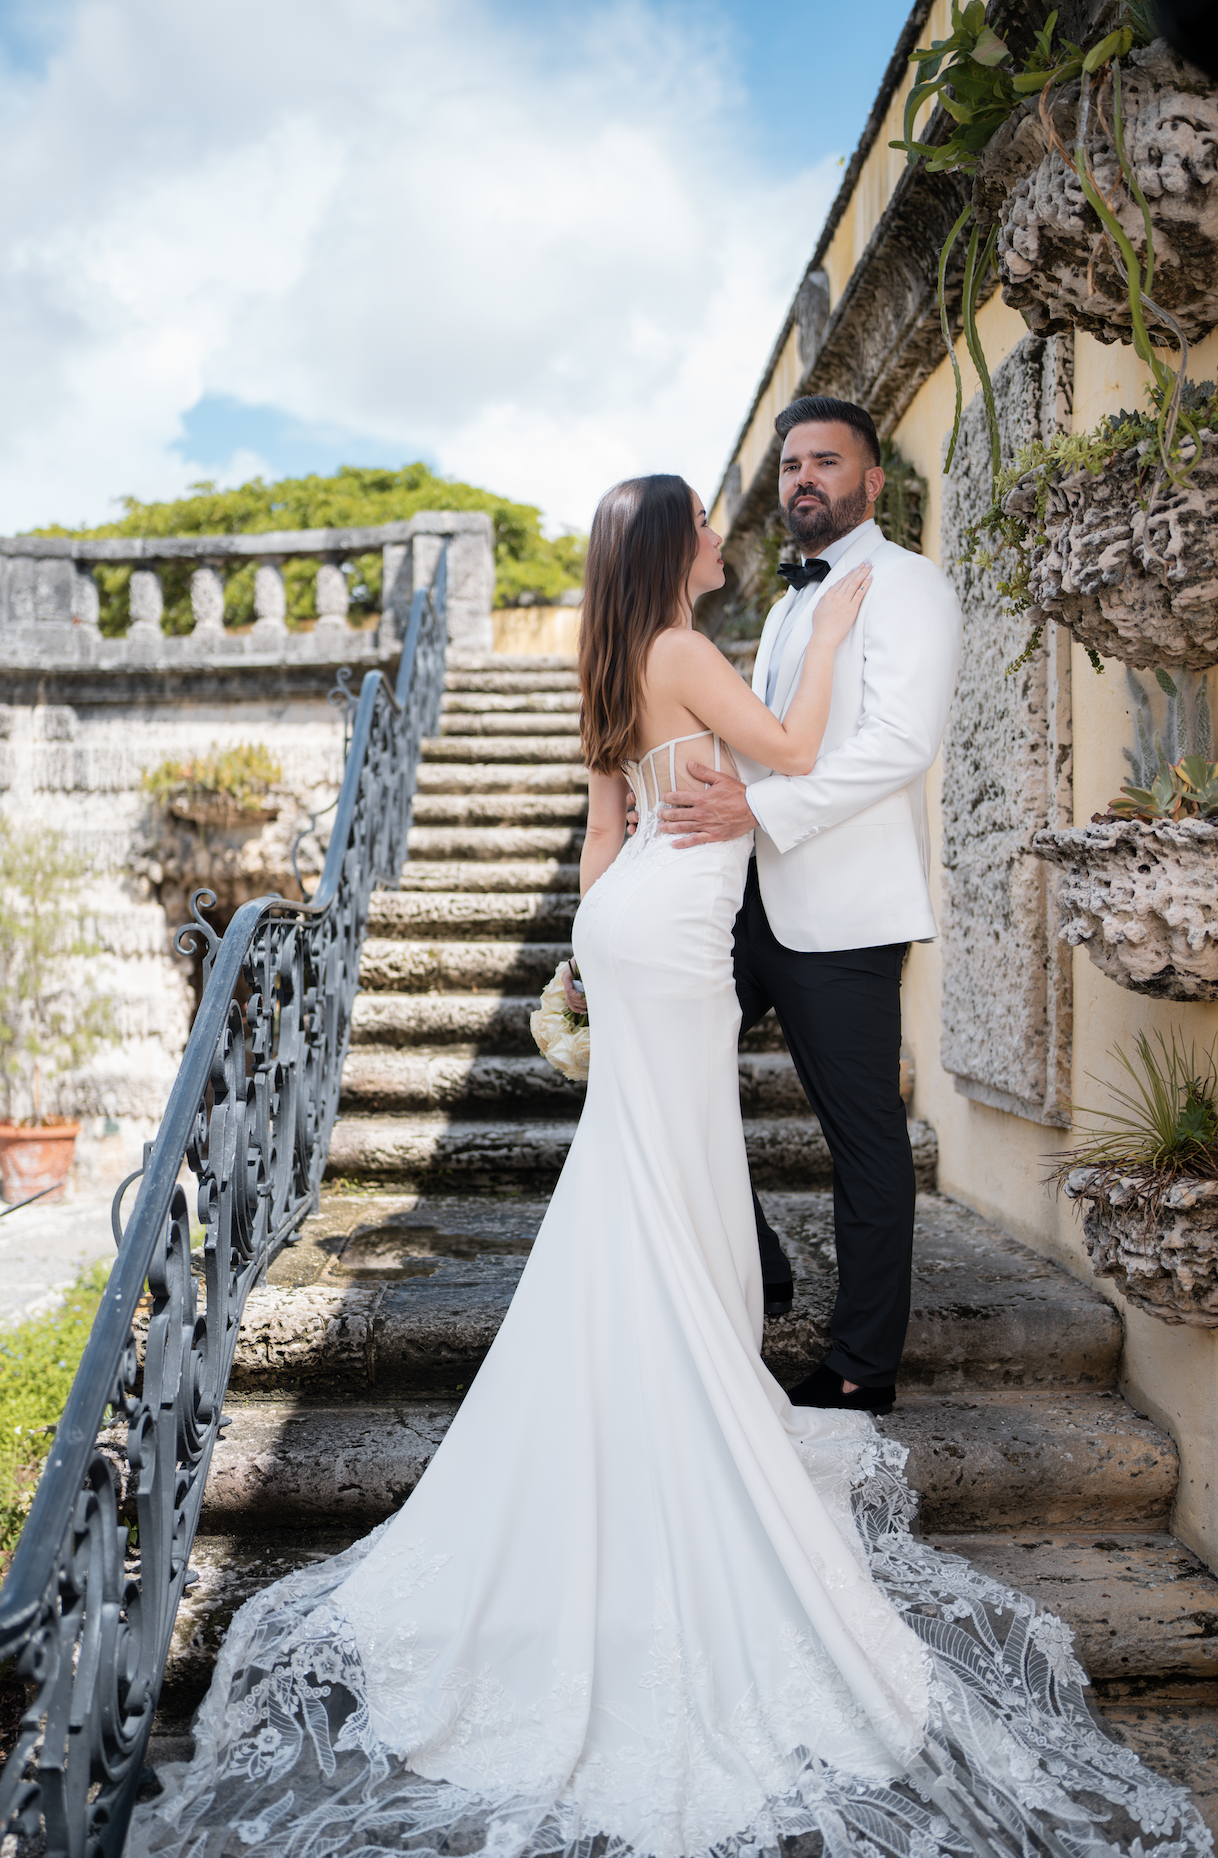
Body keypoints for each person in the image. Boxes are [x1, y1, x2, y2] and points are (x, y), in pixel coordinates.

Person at [133, 476, 1205, 1858]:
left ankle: (668, 1356)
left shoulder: (610, 659)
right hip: (676, 940)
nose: (720, 531)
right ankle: (688, 1379)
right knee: (667, 1161)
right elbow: (799, 746)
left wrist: (582, 958)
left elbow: (603, 831)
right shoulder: (685, 651)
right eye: (701, 518)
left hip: (631, 926)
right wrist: (822, 654)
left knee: (643, 1165)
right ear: (667, 548)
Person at [657, 396, 961, 1418]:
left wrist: (763, 803)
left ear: (872, 481)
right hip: (750, 898)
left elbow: (898, 744)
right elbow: (777, 733)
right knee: (658, 1063)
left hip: (845, 916)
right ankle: (761, 1260)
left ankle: (860, 1365)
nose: (802, 479)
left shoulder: (910, 586)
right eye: (791, 463)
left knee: (863, 1140)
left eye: (826, 462)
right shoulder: (793, 603)